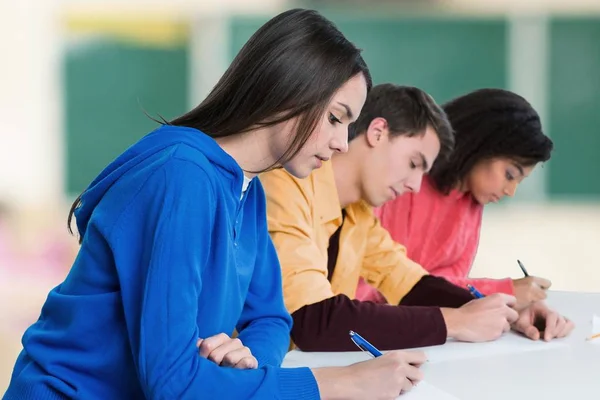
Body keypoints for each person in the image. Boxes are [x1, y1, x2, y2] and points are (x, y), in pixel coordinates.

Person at [3, 9, 427, 400]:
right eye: (336, 118)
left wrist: (243, 362)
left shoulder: (249, 189)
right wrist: (336, 384)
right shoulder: (182, 178)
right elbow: (172, 382)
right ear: (288, 90)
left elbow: (272, 319)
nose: (340, 142)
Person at [260, 84, 574, 353]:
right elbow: (312, 320)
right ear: (378, 132)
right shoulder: (286, 185)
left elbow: (412, 284)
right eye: (413, 163)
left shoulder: (358, 216)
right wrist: (455, 322)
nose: (414, 185)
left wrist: (501, 312)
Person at [359, 88, 553, 309]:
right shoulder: (395, 183)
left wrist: (516, 305)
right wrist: (501, 292)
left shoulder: (471, 203)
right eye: (509, 175)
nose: (510, 191)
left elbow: (444, 292)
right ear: (481, 146)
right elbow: (392, 289)